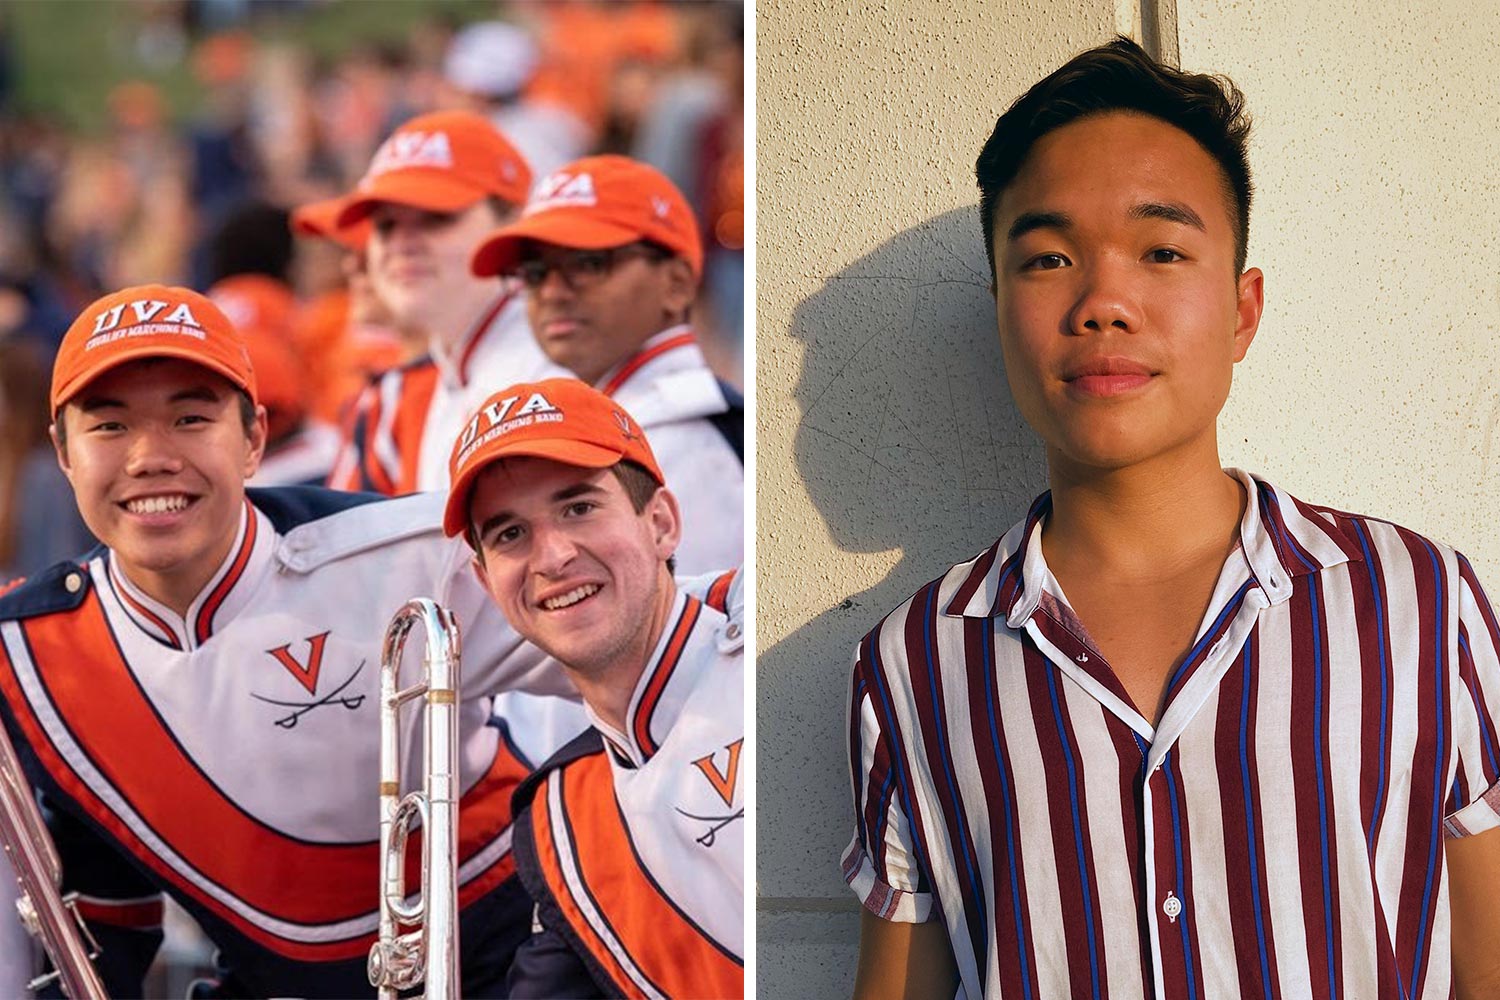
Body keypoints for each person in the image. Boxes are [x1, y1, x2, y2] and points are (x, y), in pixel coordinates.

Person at [843, 37, 1500, 999]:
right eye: (1049, 257)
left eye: (1161, 250)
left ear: (1242, 310)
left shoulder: (1417, 602)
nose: (1104, 302)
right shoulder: (915, 663)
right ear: (997, 308)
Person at [0, 284, 578, 997]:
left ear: (253, 441)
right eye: (110, 427)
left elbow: (641, 665)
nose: (150, 456)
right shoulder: (33, 650)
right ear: (62, 451)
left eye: (189, 418)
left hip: (508, 957)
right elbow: (101, 910)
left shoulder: (411, 554)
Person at [442, 377, 745, 998]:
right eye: (509, 535)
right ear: (485, 581)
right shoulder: (559, 813)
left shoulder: (773, 642)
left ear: (661, 522)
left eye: (578, 507)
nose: (551, 556)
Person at [469, 154, 744, 574]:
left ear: (677, 283)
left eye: (589, 264)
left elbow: (702, 633)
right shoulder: (638, 422)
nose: (553, 292)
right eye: (536, 272)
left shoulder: (680, 435)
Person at [323, 109, 565, 495]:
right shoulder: (454, 365)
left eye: (436, 218)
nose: (402, 243)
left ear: (512, 225)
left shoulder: (546, 375)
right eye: (386, 226)